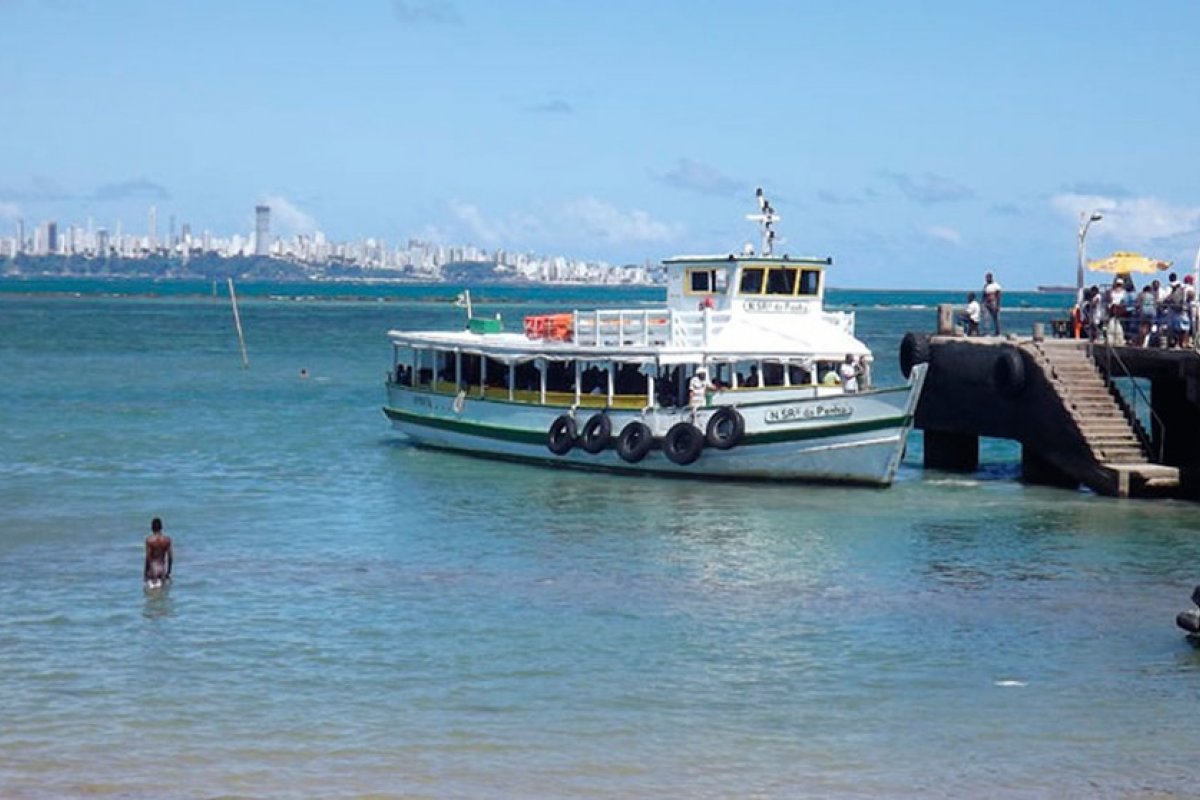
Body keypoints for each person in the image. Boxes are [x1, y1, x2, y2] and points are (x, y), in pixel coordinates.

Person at [144, 517, 173, 587]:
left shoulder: (149, 540)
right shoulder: (167, 540)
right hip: (162, 570)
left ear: (152, 527)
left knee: (152, 596)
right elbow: (170, 557)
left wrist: (145, 572)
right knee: (162, 595)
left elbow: (148, 557)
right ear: (161, 527)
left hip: (153, 570)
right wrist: (168, 571)